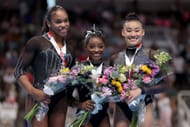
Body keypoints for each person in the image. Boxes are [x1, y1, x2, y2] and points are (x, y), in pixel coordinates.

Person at [14, 5, 75, 127]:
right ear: (49, 23)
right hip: (38, 97)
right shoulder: (37, 42)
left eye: (66, 20)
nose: (63, 24)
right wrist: (33, 91)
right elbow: (18, 71)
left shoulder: (70, 50)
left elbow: (70, 80)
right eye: (58, 21)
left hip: (60, 101)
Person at [111, 12, 168, 127]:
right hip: (122, 106)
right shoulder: (115, 58)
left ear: (142, 32)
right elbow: (110, 85)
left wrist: (141, 90)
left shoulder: (152, 55)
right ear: (123, 32)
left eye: (137, 30)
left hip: (144, 105)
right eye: (129, 30)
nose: (133, 34)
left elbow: (164, 85)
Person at [71, 25, 110, 127]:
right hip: (84, 115)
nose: (96, 50)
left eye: (100, 46)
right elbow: (66, 96)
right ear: (86, 47)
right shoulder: (78, 69)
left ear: (104, 47)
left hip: (103, 116)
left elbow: (118, 93)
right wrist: (80, 105)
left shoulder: (110, 71)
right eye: (92, 46)